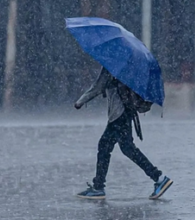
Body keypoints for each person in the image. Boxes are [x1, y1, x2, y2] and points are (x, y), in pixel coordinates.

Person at [74, 67, 173, 200]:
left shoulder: (111, 66)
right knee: (127, 148)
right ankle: (159, 178)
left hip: (118, 115)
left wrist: (80, 102)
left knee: (105, 146)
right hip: (126, 113)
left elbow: (97, 87)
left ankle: (98, 187)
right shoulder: (127, 67)